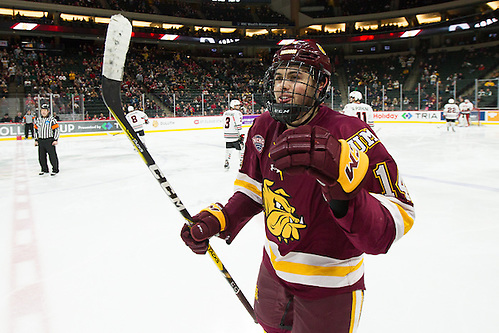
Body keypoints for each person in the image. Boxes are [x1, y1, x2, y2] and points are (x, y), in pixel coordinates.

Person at [180, 40, 415, 333]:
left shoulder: (353, 134)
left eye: (295, 77)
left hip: (329, 287)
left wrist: (345, 195)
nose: (283, 86)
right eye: (279, 77)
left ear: (321, 85)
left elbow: (395, 221)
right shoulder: (263, 126)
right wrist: (222, 218)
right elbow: (253, 191)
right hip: (273, 273)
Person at [34, 105, 60, 176]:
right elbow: (35, 130)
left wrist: (55, 139)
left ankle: (55, 169)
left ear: (48, 111)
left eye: (45, 110)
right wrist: (36, 139)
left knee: (52, 156)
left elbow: (56, 130)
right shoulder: (38, 120)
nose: (43, 112)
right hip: (41, 140)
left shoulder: (52, 120)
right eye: (42, 110)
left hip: (49, 140)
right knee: (41, 156)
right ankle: (44, 169)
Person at [222, 99, 244, 170]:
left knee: (228, 150)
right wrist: (241, 135)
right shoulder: (237, 113)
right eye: (236, 105)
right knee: (241, 149)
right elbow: (238, 125)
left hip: (227, 135)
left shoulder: (225, 113)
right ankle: (242, 163)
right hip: (235, 135)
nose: (238, 107)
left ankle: (226, 162)